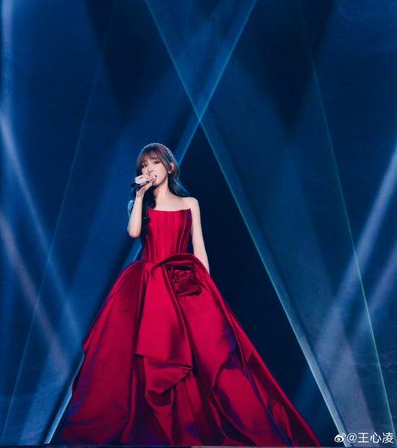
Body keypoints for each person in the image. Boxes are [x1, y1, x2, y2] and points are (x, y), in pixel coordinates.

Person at [51, 143, 321, 446]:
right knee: (148, 356)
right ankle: (158, 428)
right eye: (144, 166)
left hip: (185, 285)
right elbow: (134, 233)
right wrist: (138, 197)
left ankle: (205, 425)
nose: (149, 170)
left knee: (207, 355)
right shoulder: (141, 205)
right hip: (148, 286)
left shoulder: (190, 203)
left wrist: (208, 293)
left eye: (154, 163)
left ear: (170, 167)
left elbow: (199, 249)